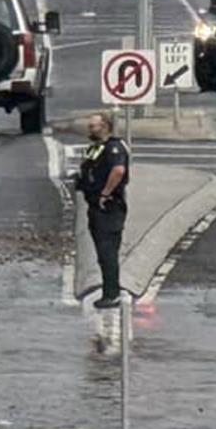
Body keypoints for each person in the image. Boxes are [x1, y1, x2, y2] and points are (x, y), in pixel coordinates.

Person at [78, 113, 130, 309]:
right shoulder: (96, 148)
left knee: (107, 251)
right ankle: (110, 289)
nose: (90, 130)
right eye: (89, 126)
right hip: (96, 205)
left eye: (94, 126)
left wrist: (105, 194)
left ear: (105, 126)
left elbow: (118, 171)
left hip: (108, 207)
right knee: (103, 252)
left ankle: (112, 293)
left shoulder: (114, 148)